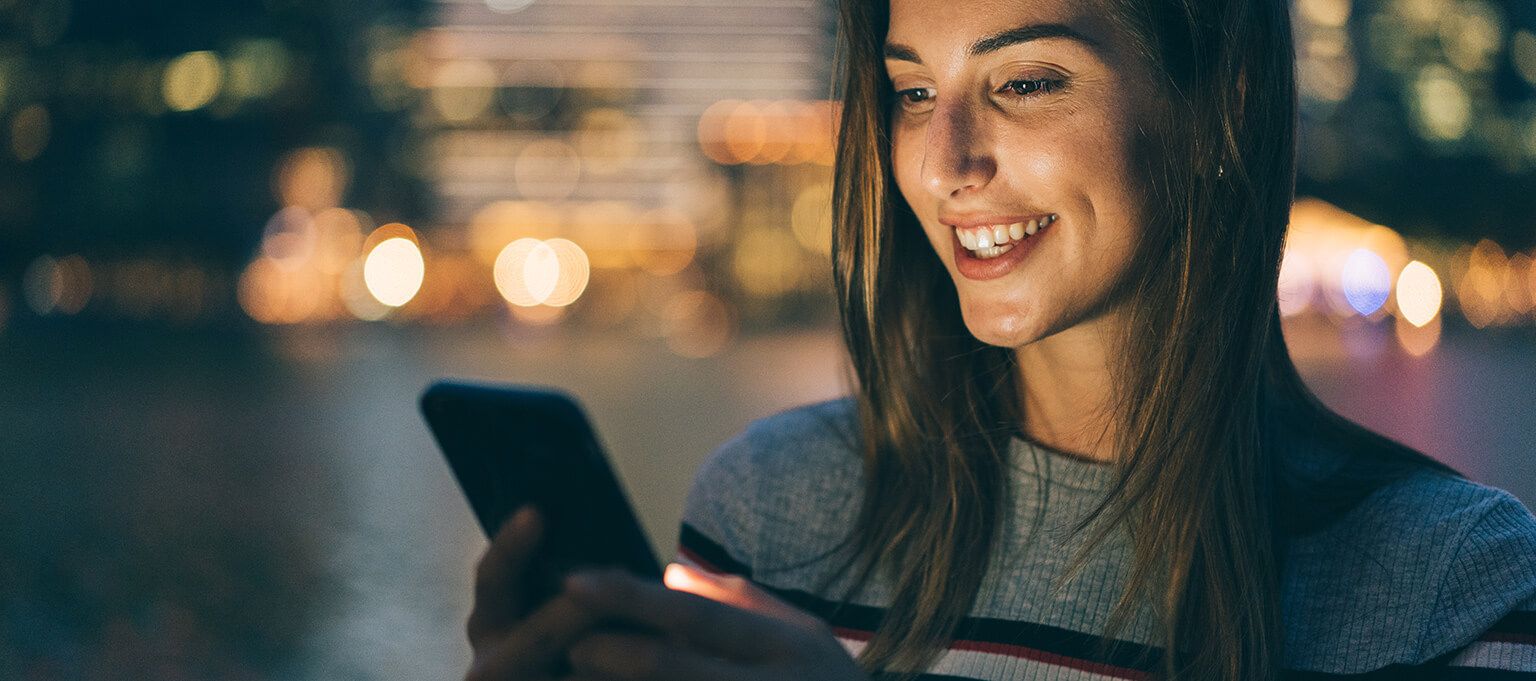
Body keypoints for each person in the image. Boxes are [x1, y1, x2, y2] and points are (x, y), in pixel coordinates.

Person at [461, 0, 1536, 679]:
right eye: (913, 90)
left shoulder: (1453, 591)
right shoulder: (771, 513)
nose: (944, 163)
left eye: (1024, 83)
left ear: (1222, 102)